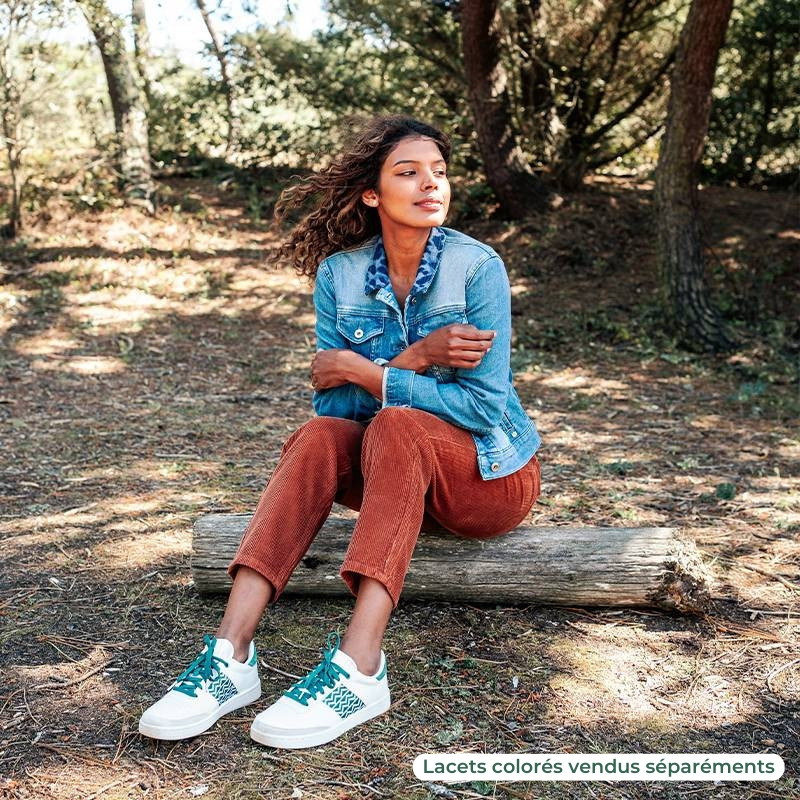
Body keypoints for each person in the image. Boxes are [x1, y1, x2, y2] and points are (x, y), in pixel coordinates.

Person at [138, 115, 542, 749]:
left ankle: (359, 668)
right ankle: (230, 657)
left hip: (488, 478)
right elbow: (335, 408)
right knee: (316, 438)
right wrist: (411, 359)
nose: (430, 184)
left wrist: (369, 372)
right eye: (409, 172)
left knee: (401, 425)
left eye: (439, 172)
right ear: (373, 194)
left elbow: (485, 410)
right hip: (395, 471)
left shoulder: (475, 267)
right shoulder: (340, 276)